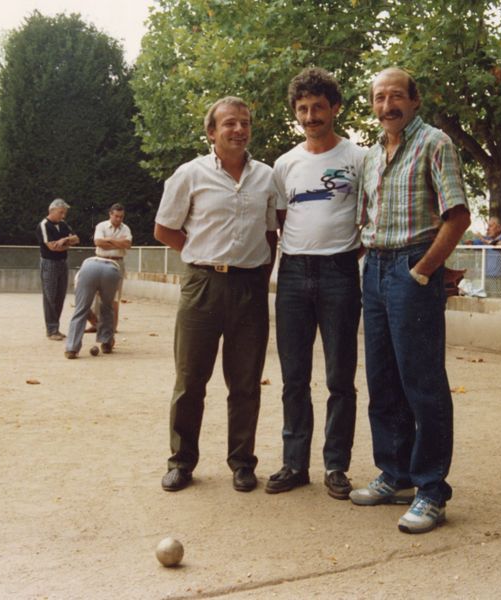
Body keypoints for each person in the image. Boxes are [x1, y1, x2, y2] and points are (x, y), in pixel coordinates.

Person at [353, 67, 471, 534]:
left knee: (422, 383)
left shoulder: (435, 144)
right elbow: (366, 220)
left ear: (414, 100)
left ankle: (431, 490)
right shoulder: (370, 156)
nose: (388, 106)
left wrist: (422, 270)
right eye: (380, 98)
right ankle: (395, 474)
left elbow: (457, 216)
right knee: (382, 380)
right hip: (375, 269)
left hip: (411, 268)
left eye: (396, 96)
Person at [154, 96, 279, 494]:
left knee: (245, 382)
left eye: (245, 122)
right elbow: (164, 229)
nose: (239, 129)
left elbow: (271, 233)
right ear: (211, 132)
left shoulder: (267, 177)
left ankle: (242, 463)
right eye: (229, 123)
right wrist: (200, 253)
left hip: (249, 288)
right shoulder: (190, 174)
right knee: (190, 380)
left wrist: (258, 274)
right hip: (202, 286)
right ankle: (181, 461)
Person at [265, 68, 365, 500]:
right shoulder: (285, 164)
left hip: (340, 273)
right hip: (293, 275)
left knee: (340, 377)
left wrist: (345, 253)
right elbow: (281, 219)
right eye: (303, 109)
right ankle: (294, 463)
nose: (310, 117)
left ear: (335, 108)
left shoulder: (358, 158)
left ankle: (336, 466)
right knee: (294, 377)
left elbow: (370, 213)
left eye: (318, 107)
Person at [36, 198, 79, 340]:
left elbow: (76, 239)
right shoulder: (44, 225)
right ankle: (51, 330)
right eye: (61, 212)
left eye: (64, 213)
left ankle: (55, 328)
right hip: (49, 263)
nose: (63, 216)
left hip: (62, 262)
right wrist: (67, 243)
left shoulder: (63, 224)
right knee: (50, 296)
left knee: (60, 296)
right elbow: (52, 247)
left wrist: (64, 241)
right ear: (52, 210)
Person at [63, 256, 122, 359]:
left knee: (80, 310)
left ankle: (71, 348)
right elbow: (113, 303)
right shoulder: (115, 270)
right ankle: (107, 343)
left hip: (89, 269)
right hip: (112, 271)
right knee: (107, 307)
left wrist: (93, 320)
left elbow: (81, 306)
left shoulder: (79, 274)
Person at [89, 203, 132, 333]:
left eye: (121, 217)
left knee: (115, 295)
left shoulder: (126, 228)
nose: (119, 219)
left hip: (117, 262)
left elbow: (128, 244)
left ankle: (112, 327)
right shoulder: (101, 226)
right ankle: (96, 324)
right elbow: (98, 242)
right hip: (101, 260)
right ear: (110, 214)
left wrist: (108, 240)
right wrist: (118, 242)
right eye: (116, 216)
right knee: (96, 294)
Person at [471, 216, 501, 298]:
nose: (487, 229)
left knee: (498, 303)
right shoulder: (486, 239)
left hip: (500, 279)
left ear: (499, 228)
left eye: (490, 226)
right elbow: (470, 244)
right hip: (485, 277)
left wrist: (484, 240)